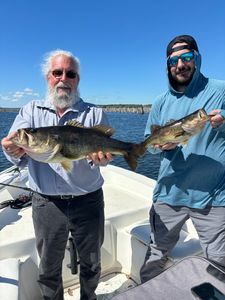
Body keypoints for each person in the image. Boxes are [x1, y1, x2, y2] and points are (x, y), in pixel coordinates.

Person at [1, 49, 113, 300]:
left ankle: (89, 297)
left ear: (77, 80)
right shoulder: (30, 111)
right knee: (49, 267)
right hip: (46, 203)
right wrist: (10, 149)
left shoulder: (94, 114)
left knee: (92, 262)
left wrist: (103, 159)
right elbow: (17, 154)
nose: (64, 78)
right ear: (48, 77)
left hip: (88, 201)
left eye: (70, 73)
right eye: (57, 72)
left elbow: (101, 160)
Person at [140, 35, 225, 283]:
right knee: (155, 256)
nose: (180, 65)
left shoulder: (219, 90)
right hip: (170, 194)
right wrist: (161, 147)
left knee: (219, 261)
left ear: (196, 59)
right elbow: (150, 143)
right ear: (168, 65)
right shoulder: (160, 102)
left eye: (186, 58)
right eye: (174, 60)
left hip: (214, 196)